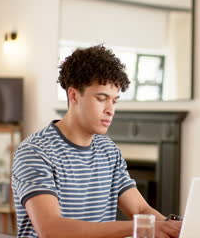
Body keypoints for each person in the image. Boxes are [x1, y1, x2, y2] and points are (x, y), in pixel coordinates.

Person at [12, 45, 181, 238]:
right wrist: (140, 227)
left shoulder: (108, 150)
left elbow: (141, 210)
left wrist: (174, 228)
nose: (111, 110)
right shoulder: (35, 152)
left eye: (115, 101)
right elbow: (52, 230)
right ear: (74, 95)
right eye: (102, 98)